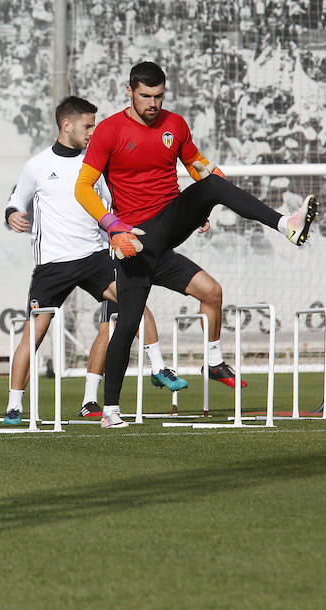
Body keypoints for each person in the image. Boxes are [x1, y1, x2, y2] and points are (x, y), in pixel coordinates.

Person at [75, 61, 318, 428]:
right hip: (137, 240)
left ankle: (286, 225)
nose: (153, 103)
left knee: (215, 185)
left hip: (171, 220)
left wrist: (202, 203)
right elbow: (82, 188)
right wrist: (113, 227)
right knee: (126, 324)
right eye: (145, 96)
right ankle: (110, 410)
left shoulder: (175, 125)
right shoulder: (109, 131)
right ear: (130, 92)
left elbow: (199, 168)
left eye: (159, 96)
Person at [3, 96, 189, 425]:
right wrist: (13, 213)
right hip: (53, 264)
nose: (93, 131)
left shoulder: (98, 164)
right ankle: (14, 405)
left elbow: (113, 205)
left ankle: (158, 366)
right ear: (66, 126)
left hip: (94, 258)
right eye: (88, 126)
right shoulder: (37, 165)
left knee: (135, 304)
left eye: (95, 125)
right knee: (34, 334)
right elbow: (16, 200)